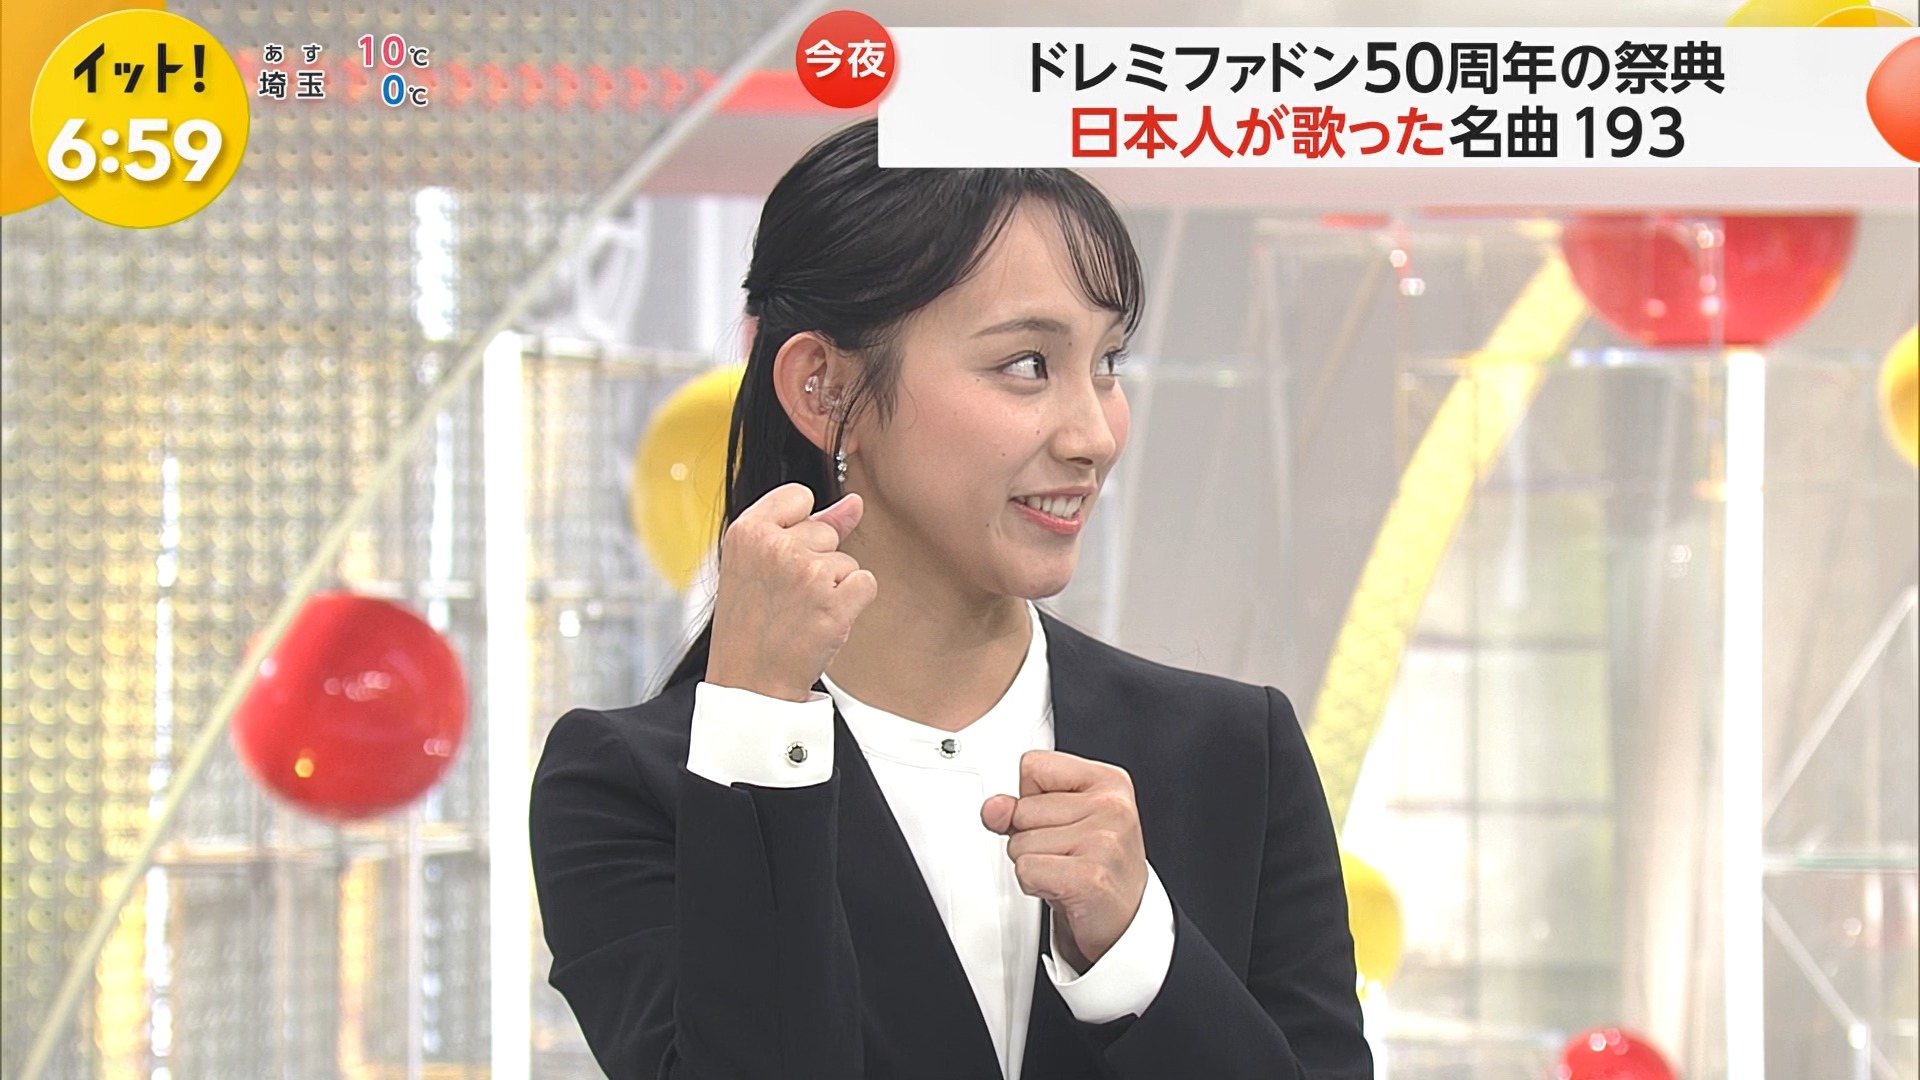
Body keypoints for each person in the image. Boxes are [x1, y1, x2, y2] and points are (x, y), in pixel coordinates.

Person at [529, 117, 1371, 1080]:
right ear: (823, 388)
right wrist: (759, 730)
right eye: (1027, 365)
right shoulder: (634, 790)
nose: (1094, 435)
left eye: (1107, 363)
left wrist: (1139, 952)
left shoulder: (1235, 755)